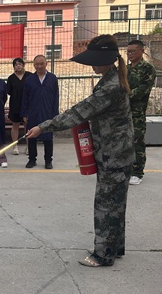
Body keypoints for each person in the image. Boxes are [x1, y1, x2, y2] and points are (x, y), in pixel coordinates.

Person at [26, 34, 134, 268]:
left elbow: (79, 112)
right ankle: (114, 248)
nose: (92, 64)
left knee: (106, 205)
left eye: (94, 60)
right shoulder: (111, 79)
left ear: (104, 59)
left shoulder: (110, 87)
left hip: (114, 154)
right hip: (117, 152)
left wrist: (42, 127)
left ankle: (103, 255)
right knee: (116, 203)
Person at [21, 55, 59, 169]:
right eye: (37, 64)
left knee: (48, 137)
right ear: (34, 65)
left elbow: (56, 97)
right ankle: (32, 159)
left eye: (42, 64)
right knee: (31, 136)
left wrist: (55, 114)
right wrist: (24, 113)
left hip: (48, 112)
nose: (39, 66)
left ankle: (48, 160)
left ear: (46, 64)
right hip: (33, 112)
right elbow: (25, 98)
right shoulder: (29, 79)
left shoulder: (52, 78)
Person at [127, 40, 156, 185]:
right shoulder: (125, 69)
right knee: (125, 142)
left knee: (137, 141)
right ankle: (126, 169)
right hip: (123, 111)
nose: (130, 54)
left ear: (141, 51)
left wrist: (123, 96)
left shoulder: (147, 69)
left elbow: (142, 90)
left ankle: (137, 173)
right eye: (128, 51)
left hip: (137, 112)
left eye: (133, 51)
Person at [7, 57, 31, 155]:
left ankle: (29, 146)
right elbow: (8, 92)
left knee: (27, 125)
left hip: (27, 105)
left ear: (23, 65)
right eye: (16, 64)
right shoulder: (11, 78)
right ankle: (15, 146)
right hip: (15, 105)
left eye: (20, 64)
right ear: (14, 67)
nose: (18, 66)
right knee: (15, 125)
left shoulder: (30, 76)